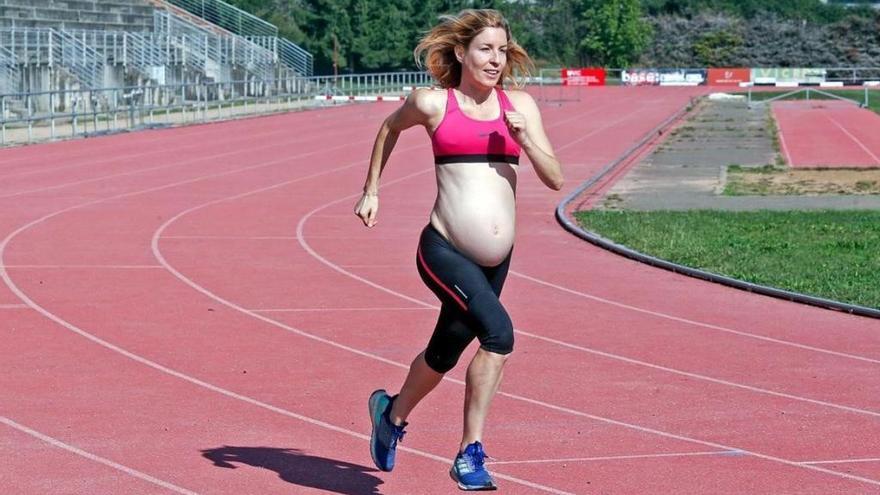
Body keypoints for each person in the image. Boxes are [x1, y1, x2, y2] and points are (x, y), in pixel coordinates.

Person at [354, 8, 563, 491]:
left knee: (445, 352)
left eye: (502, 50)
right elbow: (389, 128)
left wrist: (527, 138)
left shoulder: (521, 106)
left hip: (497, 261)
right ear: (461, 53)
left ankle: (391, 413)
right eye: (485, 49)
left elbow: (556, 179)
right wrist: (371, 190)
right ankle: (470, 453)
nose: (495, 59)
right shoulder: (432, 103)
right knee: (499, 335)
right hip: (444, 247)